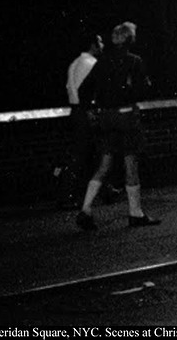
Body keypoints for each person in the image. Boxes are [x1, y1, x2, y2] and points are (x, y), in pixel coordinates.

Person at [75, 21, 158, 230]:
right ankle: (135, 213)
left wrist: (91, 109)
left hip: (105, 118)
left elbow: (84, 89)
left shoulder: (101, 61)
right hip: (126, 117)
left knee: (104, 164)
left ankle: (85, 208)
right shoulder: (134, 61)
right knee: (131, 163)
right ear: (130, 39)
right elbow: (143, 90)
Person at [62, 33, 102, 206]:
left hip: (76, 111)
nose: (102, 45)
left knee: (88, 152)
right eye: (100, 42)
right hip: (85, 112)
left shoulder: (75, 63)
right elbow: (91, 90)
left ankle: (103, 189)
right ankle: (67, 195)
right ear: (93, 45)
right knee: (83, 154)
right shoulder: (90, 64)